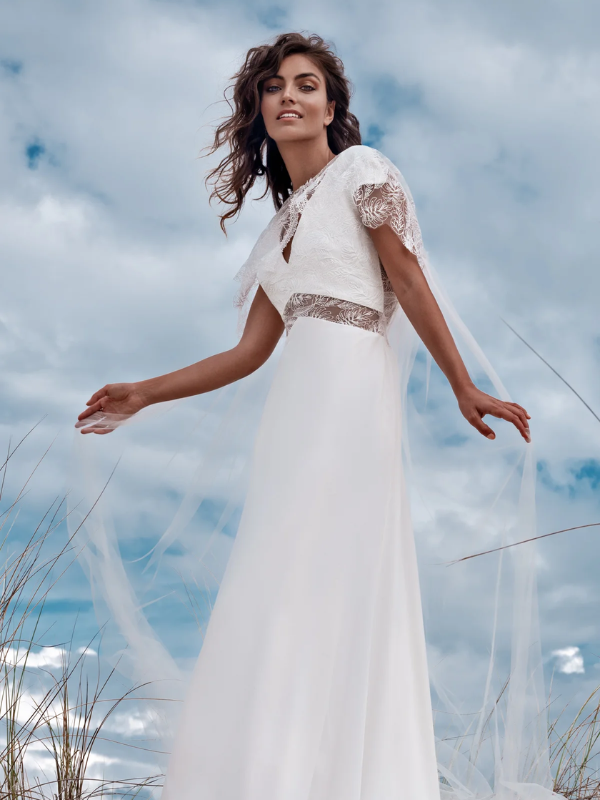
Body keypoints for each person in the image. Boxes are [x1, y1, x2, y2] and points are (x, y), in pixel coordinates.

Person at [73, 32, 556, 800]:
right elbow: (247, 354)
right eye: (272, 86)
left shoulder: (362, 172)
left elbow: (407, 275)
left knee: (329, 565)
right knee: (281, 569)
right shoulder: (279, 230)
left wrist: (463, 384)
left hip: (351, 392)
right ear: (259, 109)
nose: (288, 96)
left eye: (305, 84)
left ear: (333, 105)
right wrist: (144, 391)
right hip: (296, 408)